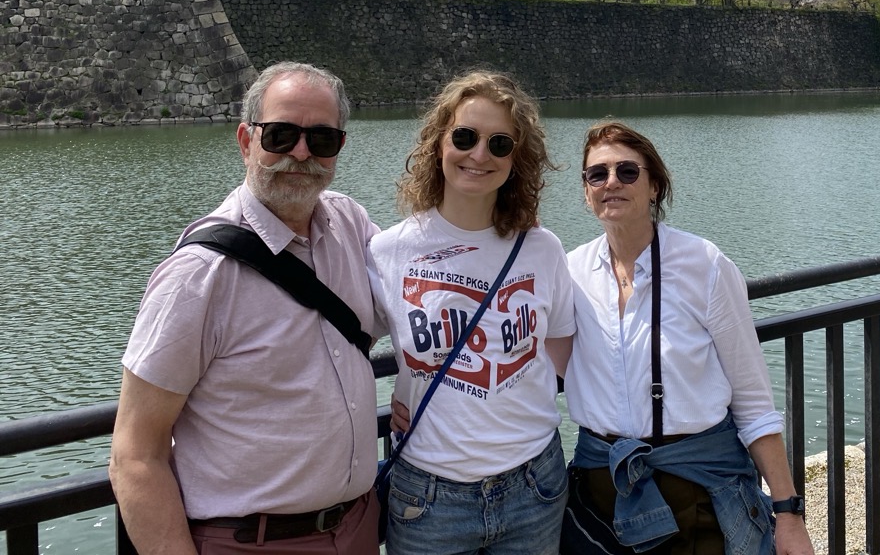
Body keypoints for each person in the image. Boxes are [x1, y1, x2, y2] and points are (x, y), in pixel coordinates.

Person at [110, 61, 384, 554]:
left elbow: (419, 307)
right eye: (281, 135)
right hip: (249, 543)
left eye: (322, 139)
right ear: (245, 140)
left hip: (358, 526)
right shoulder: (198, 276)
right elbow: (135, 453)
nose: (301, 154)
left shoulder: (351, 225)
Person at [563, 121, 815, 555]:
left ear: (655, 186)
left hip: (695, 490)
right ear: (586, 192)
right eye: (597, 174)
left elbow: (753, 402)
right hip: (602, 491)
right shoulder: (569, 273)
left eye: (628, 171)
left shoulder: (704, 265)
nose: (611, 183)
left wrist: (788, 514)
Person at [367, 70, 575, 555]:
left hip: (534, 487)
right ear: (439, 144)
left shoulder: (542, 249)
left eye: (499, 144)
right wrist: (372, 409)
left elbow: (563, 354)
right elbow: (342, 347)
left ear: (516, 160)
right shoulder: (389, 251)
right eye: (465, 137)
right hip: (427, 498)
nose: (479, 155)